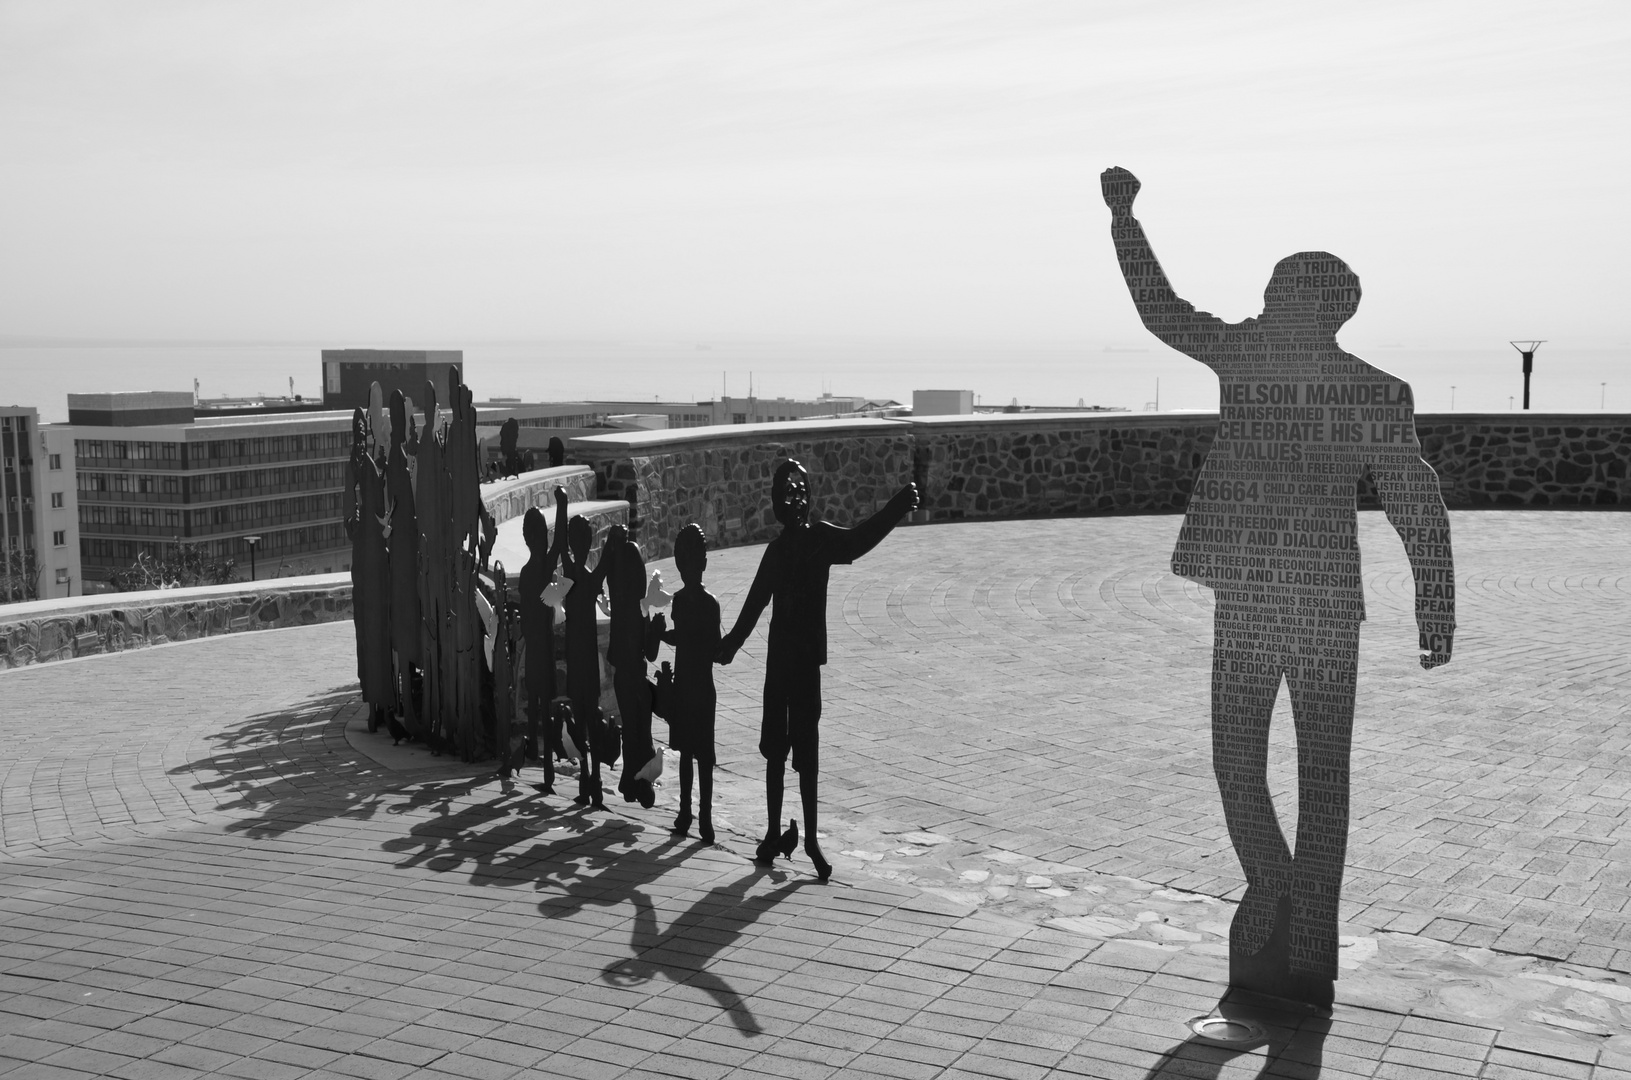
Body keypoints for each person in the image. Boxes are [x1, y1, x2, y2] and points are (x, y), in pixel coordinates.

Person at [1101, 166, 1456, 1008]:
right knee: (1304, 773)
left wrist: (1123, 217)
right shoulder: (1371, 390)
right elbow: (1416, 498)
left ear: (1308, 305)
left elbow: (1161, 308)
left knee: (1251, 763)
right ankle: (1291, 913)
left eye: (1271, 290)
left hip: (1267, 598)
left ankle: (1282, 908)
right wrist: (1434, 599)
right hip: (1310, 599)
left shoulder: (1268, 363)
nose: (1258, 303)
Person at [718, 460, 919, 880]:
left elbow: (858, 540)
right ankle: (773, 831)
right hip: (779, 666)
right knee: (775, 750)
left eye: (801, 491)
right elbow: (754, 605)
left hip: (806, 664)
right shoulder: (776, 553)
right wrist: (729, 646)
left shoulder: (821, 540)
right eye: (787, 493)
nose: (796, 499)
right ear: (776, 503)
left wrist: (896, 508)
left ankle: (809, 839)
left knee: (807, 753)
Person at [660, 524, 722, 843]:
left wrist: (662, 635)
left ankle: (692, 814)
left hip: (688, 685)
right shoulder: (708, 604)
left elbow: (680, 637)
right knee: (699, 755)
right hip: (698, 685)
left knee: (691, 754)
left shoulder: (682, 602)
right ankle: (700, 818)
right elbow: (715, 648)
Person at [607, 527, 666, 809]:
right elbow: (650, 651)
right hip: (637, 681)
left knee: (632, 732)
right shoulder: (639, 610)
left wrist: (612, 545)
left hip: (623, 679)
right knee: (640, 735)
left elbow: (607, 575)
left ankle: (629, 783)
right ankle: (637, 784)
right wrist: (657, 629)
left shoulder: (619, 608)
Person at [518, 490, 569, 792]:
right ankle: (546, 767)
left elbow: (525, 618)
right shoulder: (542, 568)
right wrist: (562, 506)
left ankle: (538, 758)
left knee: (537, 706)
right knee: (545, 706)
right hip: (544, 647)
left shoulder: (527, 572)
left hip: (535, 646)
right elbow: (561, 543)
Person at [562, 513, 614, 808]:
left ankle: (588, 778)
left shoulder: (570, 575)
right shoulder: (584, 577)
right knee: (588, 718)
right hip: (584, 660)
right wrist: (613, 541)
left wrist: (562, 504)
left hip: (576, 658)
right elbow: (604, 565)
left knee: (584, 720)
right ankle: (591, 779)